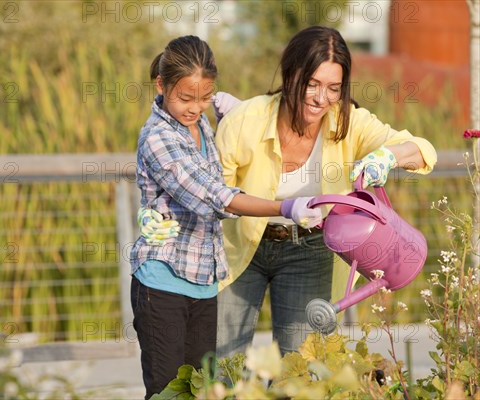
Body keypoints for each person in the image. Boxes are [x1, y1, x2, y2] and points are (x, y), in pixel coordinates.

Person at [140, 26, 437, 360]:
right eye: (312, 84)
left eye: (333, 88)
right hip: (241, 247)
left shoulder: (348, 122)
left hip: (310, 251)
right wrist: (160, 210)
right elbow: (210, 191)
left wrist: (389, 156)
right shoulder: (247, 120)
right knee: (219, 363)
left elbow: (422, 150)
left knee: (302, 365)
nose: (321, 98)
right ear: (291, 74)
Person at [131, 35, 324, 399]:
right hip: (163, 280)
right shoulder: (158, 137)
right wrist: (283, 207)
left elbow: (230, 163)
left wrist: (238, 119)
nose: (195, 107)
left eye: (205, 97)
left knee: (204, 388)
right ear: (161, 84)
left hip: (204, 281)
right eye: (185, 98)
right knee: (167, 391)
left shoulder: (202, 125)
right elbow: (214, 195)